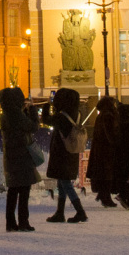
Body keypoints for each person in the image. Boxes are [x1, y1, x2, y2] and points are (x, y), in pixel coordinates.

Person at [0, 85, 39, 232]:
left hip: (11, 157)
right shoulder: (17, 114)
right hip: (22, 156)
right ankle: (23, 221)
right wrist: (32, 111)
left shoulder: (5, 114)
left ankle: (10, 222)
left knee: (13, 190)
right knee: (24, 190)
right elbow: (33, 127)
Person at [45, 87, 88, 224]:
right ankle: (60, 212)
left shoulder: (62, 117)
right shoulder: (78, 114)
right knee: (62, 182)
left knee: (65, 183)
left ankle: (80, 211)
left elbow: (46, 120)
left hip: (61, 154)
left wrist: (47, 106)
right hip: (72, 152)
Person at [85, 96, 122, 207]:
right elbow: (110, 134)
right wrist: (116, 142)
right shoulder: (108, 116)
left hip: (100, 150)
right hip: (107, 150)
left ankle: (103, 194)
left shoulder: (101, 116)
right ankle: (106, 197)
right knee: (107, 174)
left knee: (102, 173)